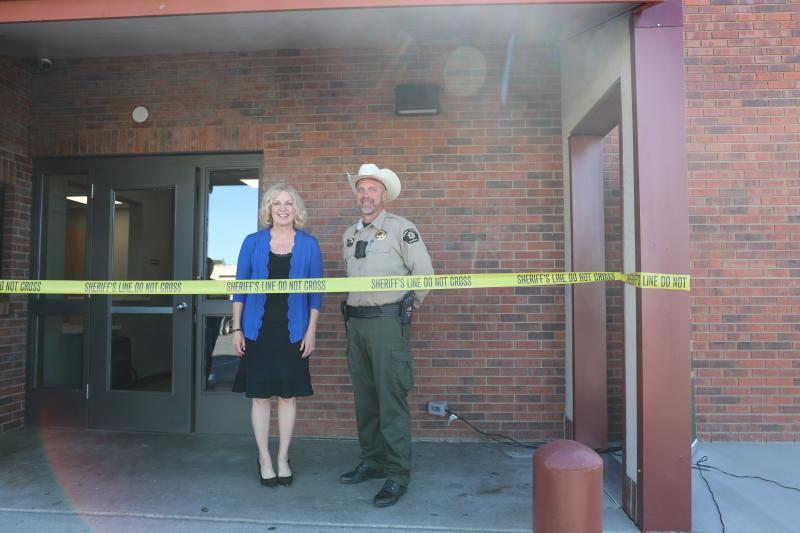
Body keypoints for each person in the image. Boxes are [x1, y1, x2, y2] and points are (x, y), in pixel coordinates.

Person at [339, 163, 434, 507]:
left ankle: (397, 474)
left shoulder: (401, 230)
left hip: (386, 324)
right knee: (365, 399)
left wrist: (403, 310)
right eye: (361, 189)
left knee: (390, 400)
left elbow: (424, 275)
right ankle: (372, 460)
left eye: (372, 189)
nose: (365, 195)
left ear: (384, 195)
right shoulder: (349, 234)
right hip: (357, 324)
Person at [231, 182, 322, 488]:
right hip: (258, 331)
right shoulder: (252, 242)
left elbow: (315, 294)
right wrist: (237, 328)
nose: (283, 208)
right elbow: (240, 289)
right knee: (259, 398)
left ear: (296, 209)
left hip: (293, 331)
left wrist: (311, 331)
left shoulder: (309, 245)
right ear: (268, 209)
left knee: (287, 396)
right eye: (276, 203)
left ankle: (283, 457)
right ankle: (264, 458)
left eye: (288, 203)